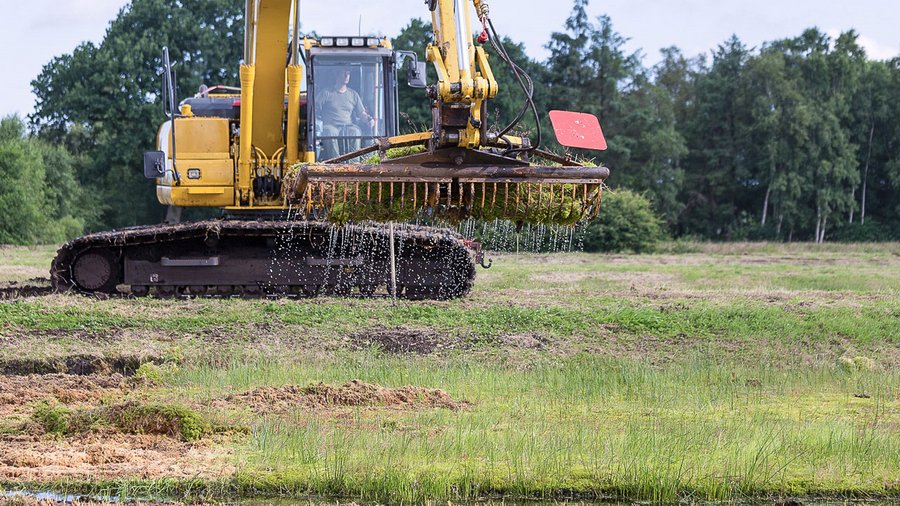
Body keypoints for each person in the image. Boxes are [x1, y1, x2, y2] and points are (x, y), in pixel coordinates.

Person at [316, 68, 376, 159]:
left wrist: (369, 120)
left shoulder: (353, 94)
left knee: (355, 131)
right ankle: (335, 161)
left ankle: (354, 163)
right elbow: (315, 109)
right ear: (336, 75)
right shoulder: (326, 93)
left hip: (348, 126)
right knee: (329, 132)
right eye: (343, 73)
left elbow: (361, 113)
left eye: (348, 73)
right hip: (331, 125)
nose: (346, 76)